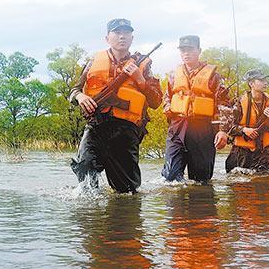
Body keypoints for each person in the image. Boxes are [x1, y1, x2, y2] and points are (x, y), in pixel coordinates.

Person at [69, 18, 163, 193]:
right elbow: (73, 91)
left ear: (132, 38)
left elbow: (156, 101)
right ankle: (90, 215)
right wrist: (81, 96)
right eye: (117, 33)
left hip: (126, 131)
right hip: (96, 125)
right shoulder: (92, 62)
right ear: (107, 38)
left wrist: (139, 79)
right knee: (85, 167)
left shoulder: (143, 64)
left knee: (127, 191)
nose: (122, 37)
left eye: (126, 33)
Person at [161, 35, 229, 183]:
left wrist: (222, 130)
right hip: (177, 127)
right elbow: (167, 97)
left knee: (201, 179)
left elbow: (223, 104)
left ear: (199, 50)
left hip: (202, 129)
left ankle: (199, 205)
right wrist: (168, 107)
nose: (186, 53)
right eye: (183, 50)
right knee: (171, 177)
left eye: (190, 49)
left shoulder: (214, 77)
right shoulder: (173, 75)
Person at [225, 70, 269, 172]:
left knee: (262, 183)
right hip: (241, 152)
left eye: (266, 80)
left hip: (263, 153)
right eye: (261, 80)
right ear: (251, 84)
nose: (265, 83)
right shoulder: (239, 102)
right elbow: (228, 127)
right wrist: (244, 130)